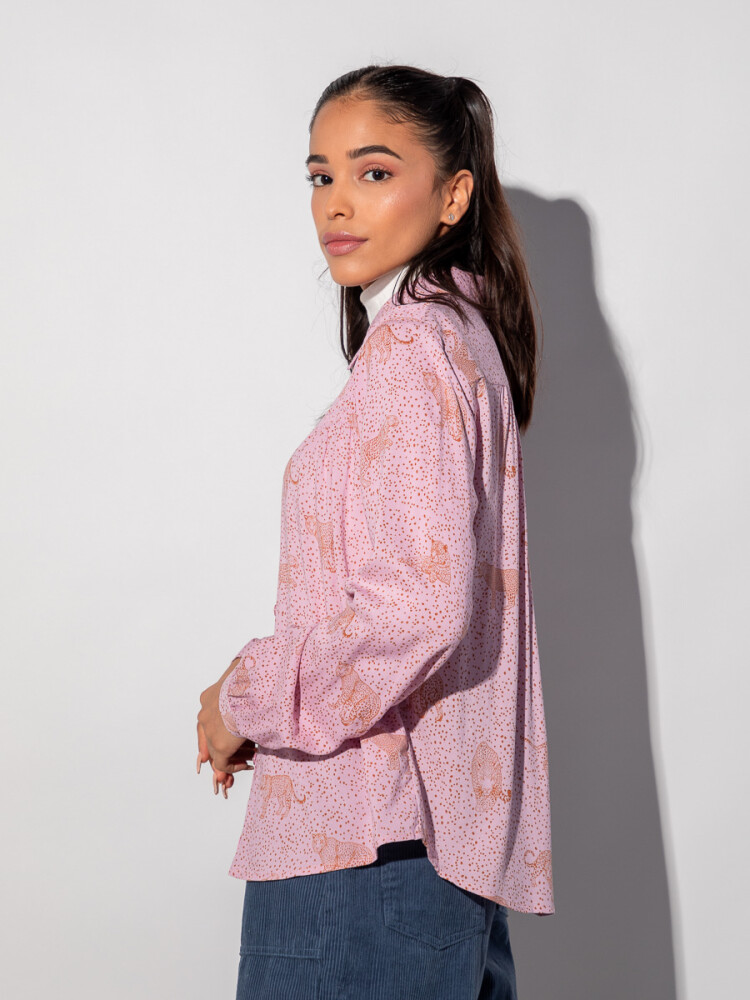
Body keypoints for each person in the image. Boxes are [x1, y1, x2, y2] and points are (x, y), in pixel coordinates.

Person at [196, 63, 554, 1000]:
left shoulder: (413, 349)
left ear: (453, 195)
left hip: (363, 849)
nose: (337, 203)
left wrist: (242, 697)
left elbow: (417, 609)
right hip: (429, 853)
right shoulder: (460, 336)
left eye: (375, 171)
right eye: (322, 176)